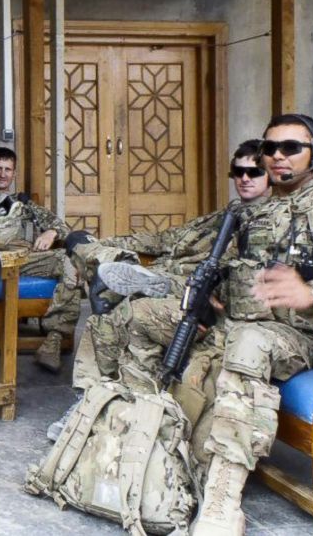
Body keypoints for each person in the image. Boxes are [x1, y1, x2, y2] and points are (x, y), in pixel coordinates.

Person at [75, 117, 313, 536]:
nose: (278, 156)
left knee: (250, 342)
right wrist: (212, 294)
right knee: (142, 315)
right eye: (270, 148)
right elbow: (242, 268)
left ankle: (223, 501)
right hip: (237, 321)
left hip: (311, 338)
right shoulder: (260, 210)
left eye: (291, 148)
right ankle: (139, 439)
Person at [43, 141, 272, 443]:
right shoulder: (226, 214)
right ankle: (88, 400)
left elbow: (238, 287)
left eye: (254, 172)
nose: (244, 178)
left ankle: (97, 401)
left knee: (121, 309)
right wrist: (110, 241)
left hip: (210, 310)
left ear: (270, 175)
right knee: (104, 301)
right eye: (238, 171)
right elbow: (168, 238)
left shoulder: (269, 224)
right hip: (176, 284)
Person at [0, 147, 81, 373]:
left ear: (14, 173)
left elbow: (61, 226)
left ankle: (53, 340)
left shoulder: (24, 204)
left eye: (8, 169)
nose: (3, 174)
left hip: (25, 261)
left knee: (70, 262)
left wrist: (50, 233)